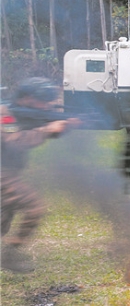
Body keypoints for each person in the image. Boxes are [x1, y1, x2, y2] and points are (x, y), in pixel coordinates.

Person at [1, 77, 78, 273]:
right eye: (42, 100)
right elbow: (14, 140)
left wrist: (63, 125)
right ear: (26, 98)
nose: (46, 106)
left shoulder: (29, 114)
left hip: (8, 172)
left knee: (3, 221)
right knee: (34, 207)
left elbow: (45, 128)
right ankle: (10, 254)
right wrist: (47, 129)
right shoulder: (5, 114)